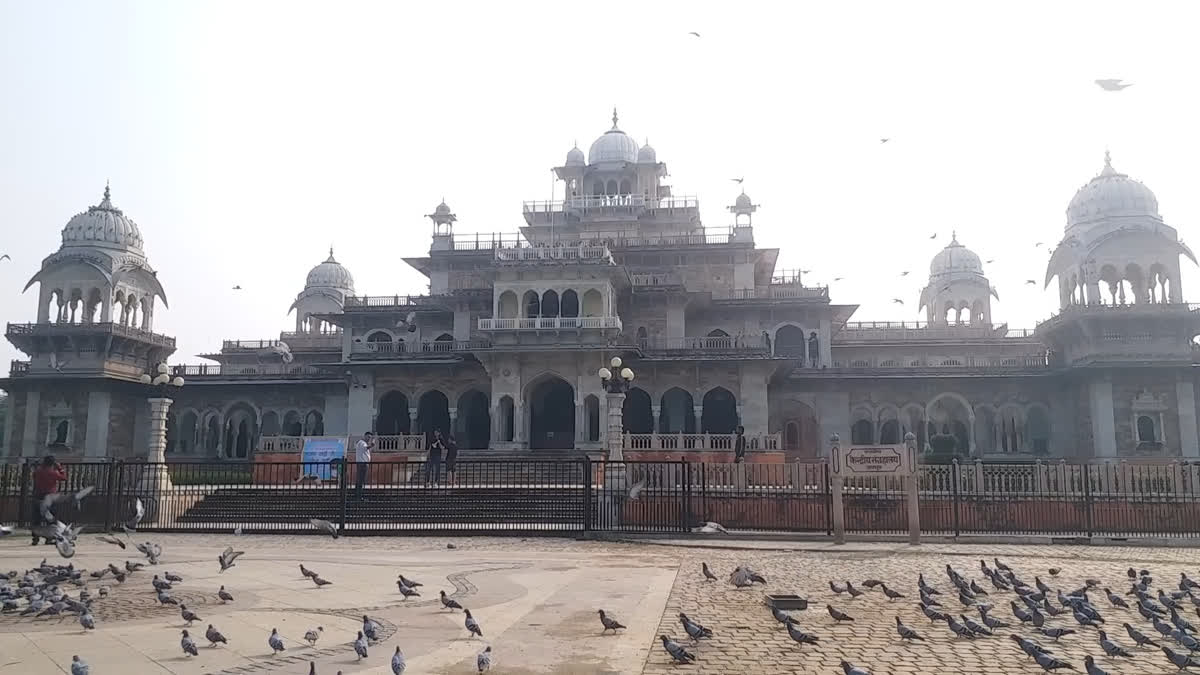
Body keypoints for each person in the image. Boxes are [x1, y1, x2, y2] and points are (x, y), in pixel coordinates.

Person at [31, 455, 66, 546]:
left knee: (36, 518)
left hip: (38, 495)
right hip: (49, 497)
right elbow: (63, 478)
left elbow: (34, 476)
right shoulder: (53, 473)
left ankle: (35, 538)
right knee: (50, 518)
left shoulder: (38, 471)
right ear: (53, 463)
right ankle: (49, 538)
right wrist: (60, 468)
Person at [354, 432, 375, 500]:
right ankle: (359, 497)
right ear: (365, 436)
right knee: (361, 480)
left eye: (370, 437)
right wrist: (372, 445)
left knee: (360, 480)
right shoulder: (361, 443)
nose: (369, 439)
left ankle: (358, 496)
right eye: (368, 437)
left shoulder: (362, 443)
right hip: (362, 464)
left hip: (362, 463)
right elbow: (366, 448)